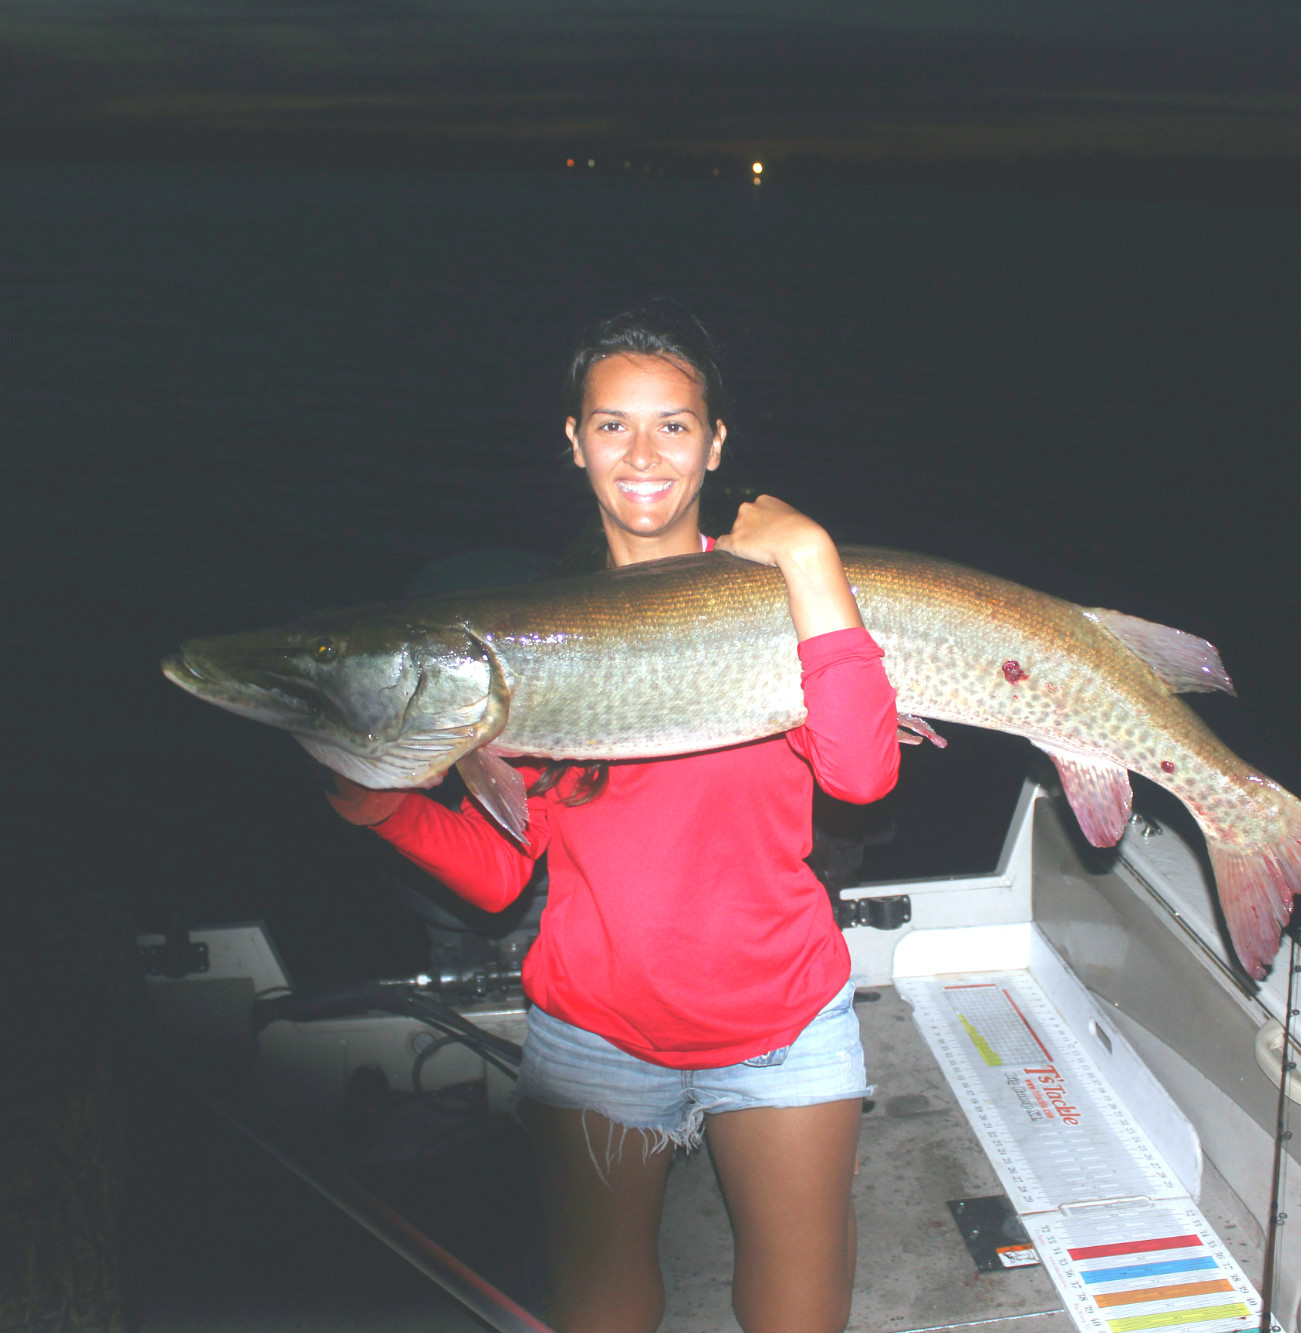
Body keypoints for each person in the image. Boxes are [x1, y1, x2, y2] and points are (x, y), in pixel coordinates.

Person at [324, 301, 900, 1333]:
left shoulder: (783, 591)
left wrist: (810, 557)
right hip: (596, 1036)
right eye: (611, 424)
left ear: (716, 443)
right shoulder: (528, 640)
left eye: (674, 424)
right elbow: (506, 873)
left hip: (781, 1026)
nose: (643, 454)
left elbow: (860, 777)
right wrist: (383, 810)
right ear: (573, 441)